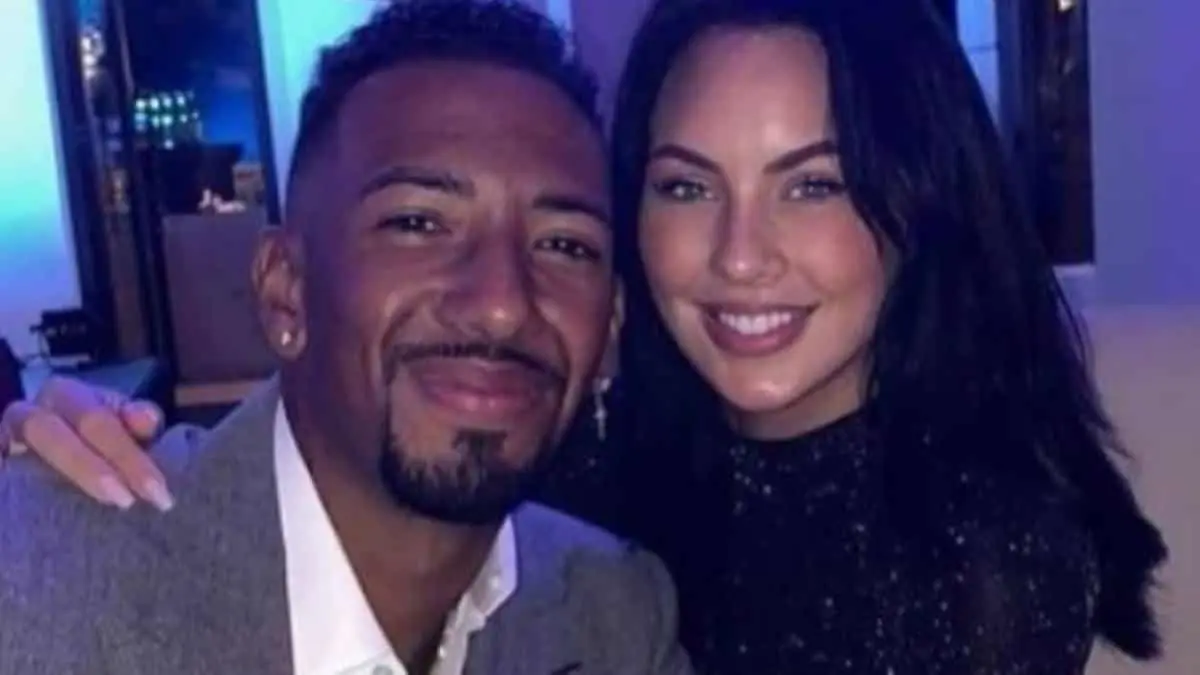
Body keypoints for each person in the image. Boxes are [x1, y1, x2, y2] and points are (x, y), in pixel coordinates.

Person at [1, 0, 1167, 673]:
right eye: (685, 186)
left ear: (921, 207)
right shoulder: (572, 454)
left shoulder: (978, 560)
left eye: (813, 185)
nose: (740, 255)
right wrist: (52, 439)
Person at [0, 2, 692, 674]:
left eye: (566, 244)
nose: (502, 306)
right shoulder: (35, 591)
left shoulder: (617, 615)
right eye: (418, 223)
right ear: (286, 289)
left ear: (610, 322)